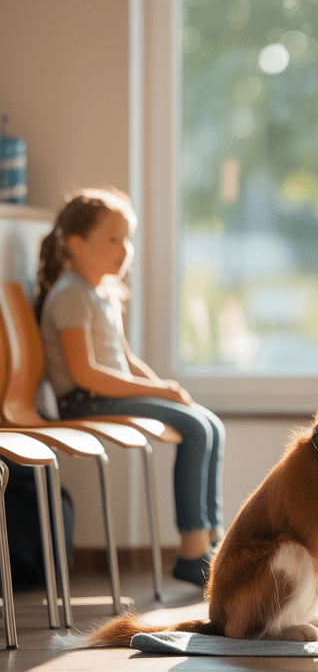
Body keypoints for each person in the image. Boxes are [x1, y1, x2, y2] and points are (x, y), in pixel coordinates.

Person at [35, 188, 225, 588]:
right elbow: (86, 374)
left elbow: (125, 359)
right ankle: (193, 551)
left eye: (128, 238)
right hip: (85, 402)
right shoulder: (70, 295)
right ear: (77, 244)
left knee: (208, 423)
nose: (126, 249)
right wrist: (158, 393)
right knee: (193, 428)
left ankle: (213, 540)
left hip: (107, 395)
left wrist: (161, 386)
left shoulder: (101, 292)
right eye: (113, 239)